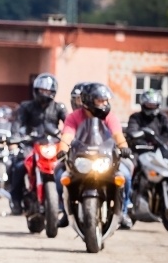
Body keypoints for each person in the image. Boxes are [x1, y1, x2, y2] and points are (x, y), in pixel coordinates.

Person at [56, 83, 134, 228]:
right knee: (59, 173)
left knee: (126, 175)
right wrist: (62, 148)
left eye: (106, 101)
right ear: (88, 100)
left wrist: (124, 147)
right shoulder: (74, 117)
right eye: (100, 101)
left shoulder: (110, 117)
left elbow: (117, 134)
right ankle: (66, 211)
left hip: (105, 159)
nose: (105, 104)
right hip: (81, 159)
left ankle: (123, 212)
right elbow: (67, 135)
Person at [8, 73, 67, 216]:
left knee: (66, 168)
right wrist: (15, 137)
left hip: (52, 146)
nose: (44, 93)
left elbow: (69, 125)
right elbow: (17, 123)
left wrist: (69, 138)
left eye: (48, 91)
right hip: (31, 144)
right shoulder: (26, 106)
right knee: (19, 166)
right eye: (42, 90)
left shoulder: (59, 107)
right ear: (36, 90)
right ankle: (16, 200)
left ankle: (66, 203)